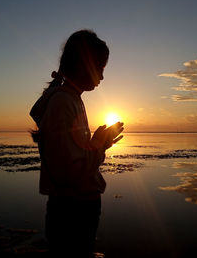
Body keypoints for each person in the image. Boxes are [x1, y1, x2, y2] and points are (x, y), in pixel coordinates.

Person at [29, 30, 124, 257]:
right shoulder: (63, 102)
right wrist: (99, 145)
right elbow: (69, 172)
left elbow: (73, 156)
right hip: (73, 209)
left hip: (74, 206)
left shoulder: (71, 99)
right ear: (83, 64)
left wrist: (99, 142)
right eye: (100, 68)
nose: (102, 77)